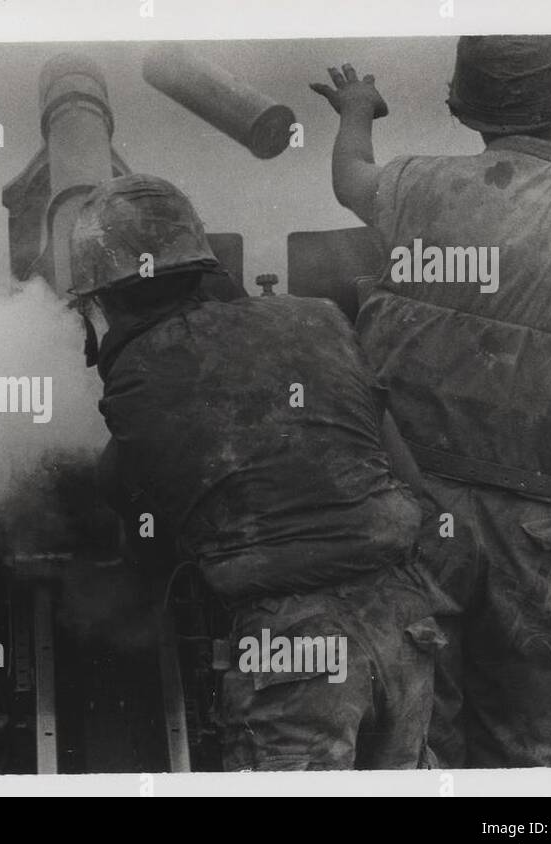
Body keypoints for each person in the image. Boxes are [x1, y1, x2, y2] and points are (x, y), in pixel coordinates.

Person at [311, 36, 551, 766]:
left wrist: (358, 108)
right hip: (542, 525)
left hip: (418, 507)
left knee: (422, 725)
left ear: (463, 107)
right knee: (534, 732)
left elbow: (350, 175)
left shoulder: (416, 185)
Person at [75, 173, 448, 771]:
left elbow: (128, 507)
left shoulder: (139, 373)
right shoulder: (318, 318)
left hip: (293, 646)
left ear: (105, 299)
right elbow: (408, 477)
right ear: (203, 266)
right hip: (402, 618)